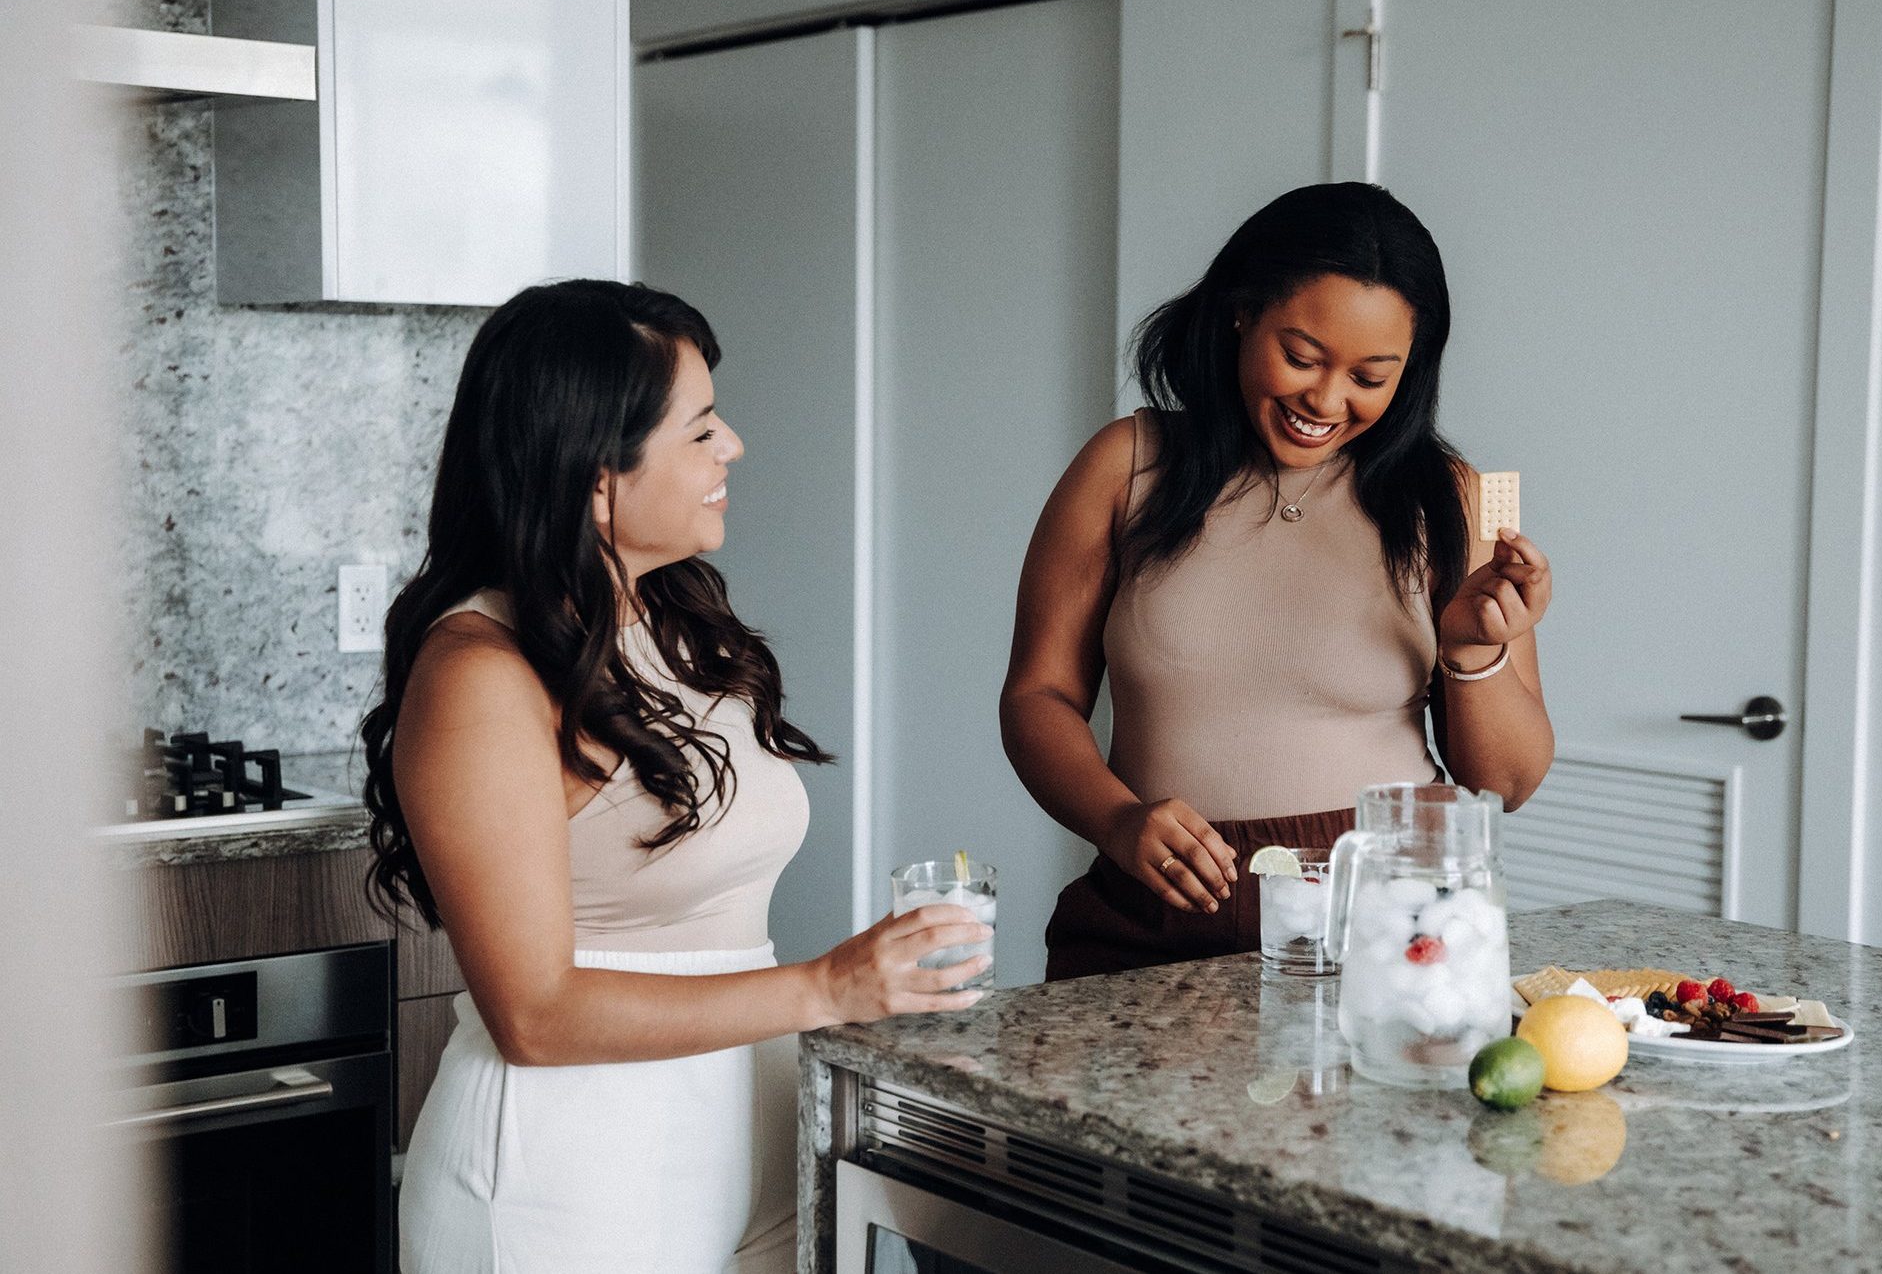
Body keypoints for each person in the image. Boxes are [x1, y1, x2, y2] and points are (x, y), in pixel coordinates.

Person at [362, 280, 991, 1273]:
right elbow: (534, 1012)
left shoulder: (669, 622)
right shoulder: (480, 676)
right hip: (569, 1185)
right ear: (597, 476)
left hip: (749, 1145)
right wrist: (833, 985)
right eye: (700, 430)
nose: (731, 446)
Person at [1000, 183, 1555, 981]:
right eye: (1300, 356)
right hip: (1159, 912)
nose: (1326, 400)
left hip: (1392, 923)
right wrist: (1119, 820)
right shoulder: (1125, 466)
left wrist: (1473, 648)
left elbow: (1502, 783)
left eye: (1371, 375)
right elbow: (1037, 697)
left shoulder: (1452, 497)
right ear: (1240, 311)